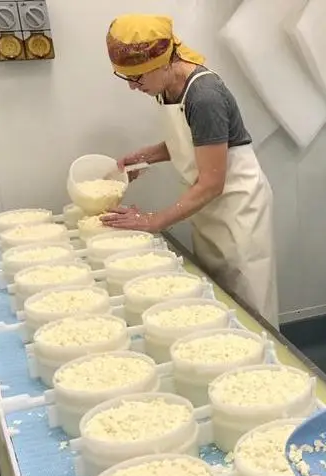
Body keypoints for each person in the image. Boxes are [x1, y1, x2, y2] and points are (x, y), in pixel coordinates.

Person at [101, 14, 279, 326]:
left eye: (137, 78)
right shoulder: (165, 87)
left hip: (238, 208)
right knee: (217, 299)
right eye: (125, 77)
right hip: (207, 206)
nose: (132, 87)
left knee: (248, 304)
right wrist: (146, 156)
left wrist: (153, 221)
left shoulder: (204, 96)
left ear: (162, 63)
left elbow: (212, 183)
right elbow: (194, 140)